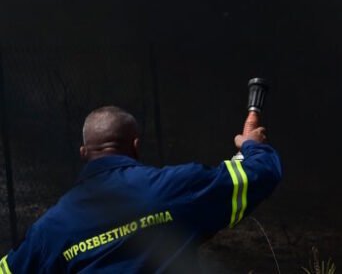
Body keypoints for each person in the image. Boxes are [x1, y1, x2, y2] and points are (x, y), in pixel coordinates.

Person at [0, 105, 282, 272]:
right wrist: (251, 145)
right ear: (135, 146)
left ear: (84, 152)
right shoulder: (173, 189)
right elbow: (261, 172)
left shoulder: (49, 229)